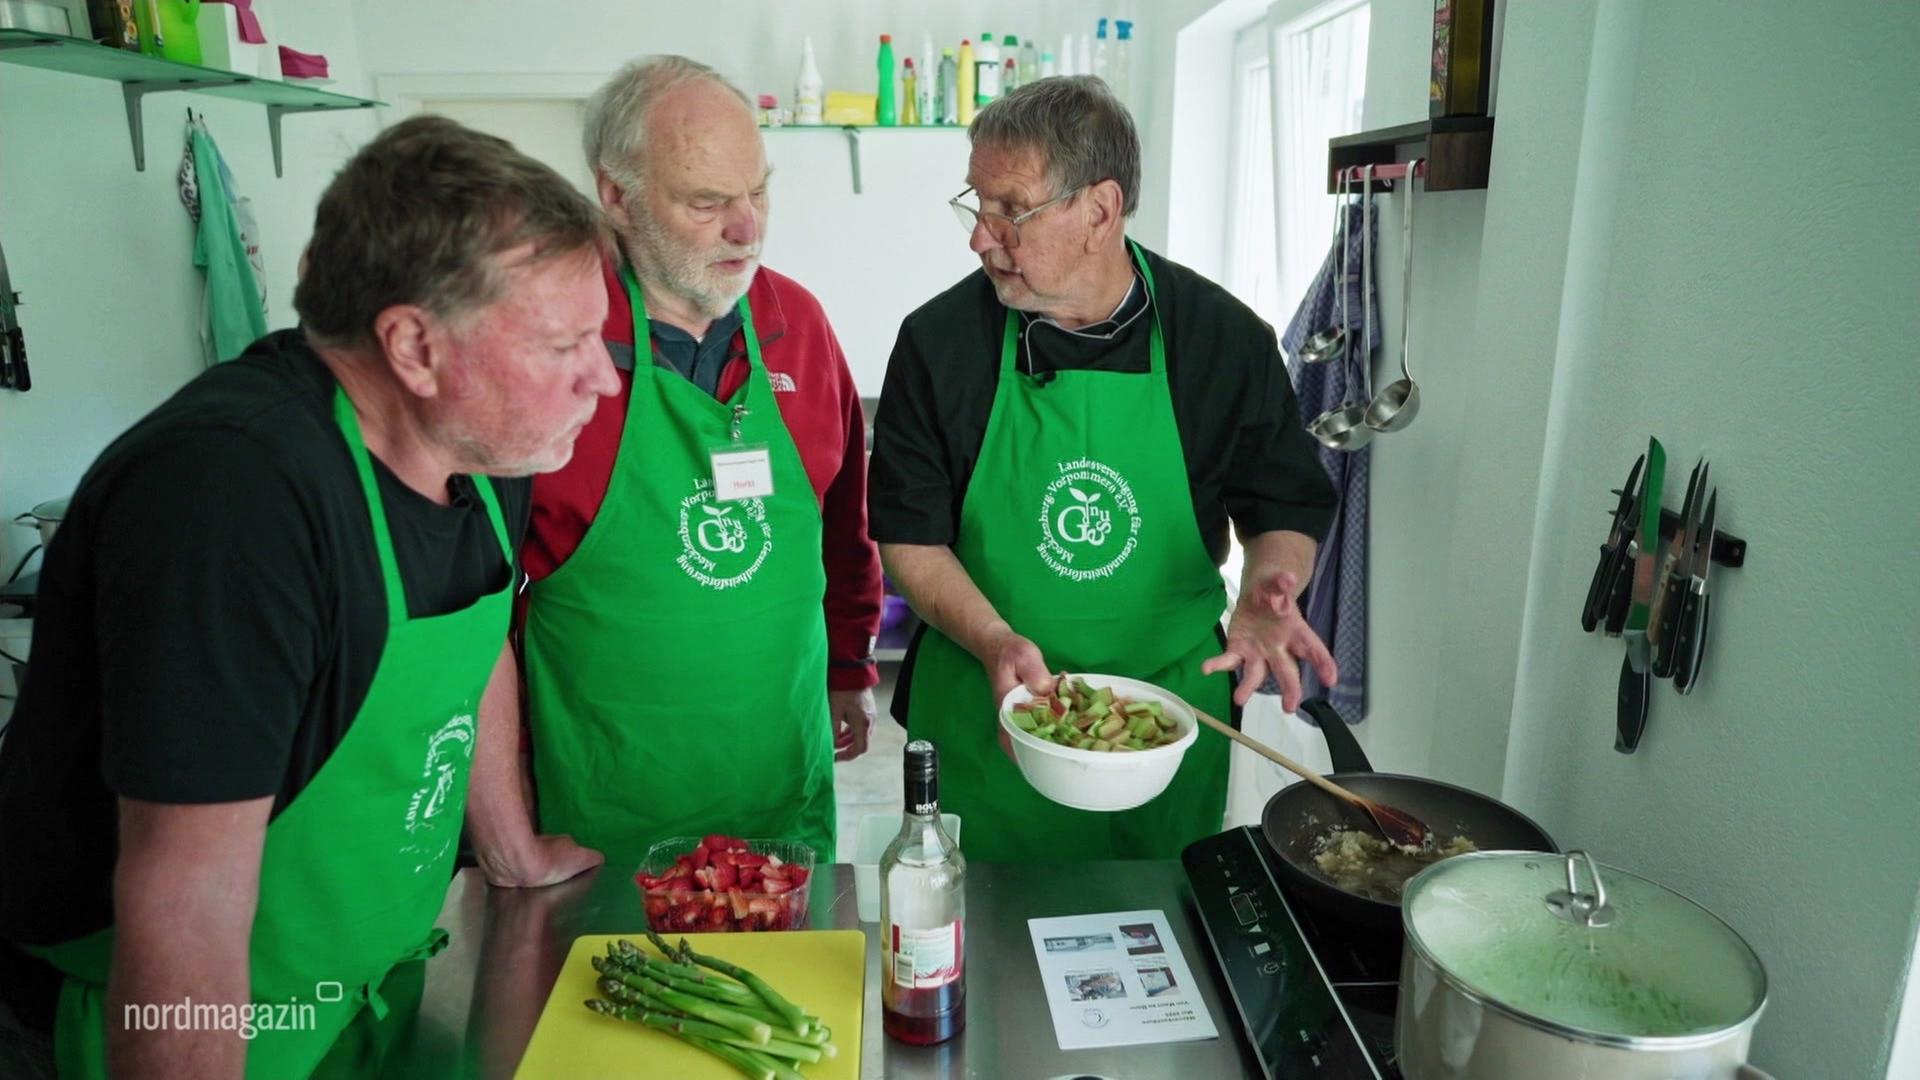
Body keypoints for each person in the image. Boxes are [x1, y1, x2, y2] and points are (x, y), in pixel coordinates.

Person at [0, 114, 618, 1079]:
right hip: (168, 1020)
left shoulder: (479, 436)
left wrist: (509, 850)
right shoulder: (231, 497)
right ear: (414, 345)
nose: (603, 379)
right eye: (565, 344)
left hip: (367, 985)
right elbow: (185, 899)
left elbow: (476, 639)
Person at [868, 76, 1340, 863]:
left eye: (1008, 210)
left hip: (1162, 721)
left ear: (1099, 210)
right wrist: (994, 642)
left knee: (1161, 945)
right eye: (975, 204)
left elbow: (1281, 499)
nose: (979, 238)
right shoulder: (939, 343)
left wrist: (1269, 586)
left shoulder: (1222, 340)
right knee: (984, 945)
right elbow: (910, 540)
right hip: (989, 708)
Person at [466, 56, 883, 880]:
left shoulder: (797, 322)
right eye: (706, 202)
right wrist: (504, 828)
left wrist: (848, 663)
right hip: (608, 803)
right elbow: (477, 613)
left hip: (778, 792)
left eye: (758, 191)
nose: (747, 228)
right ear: (614, 195)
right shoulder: (548, 347)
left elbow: (842, 522)